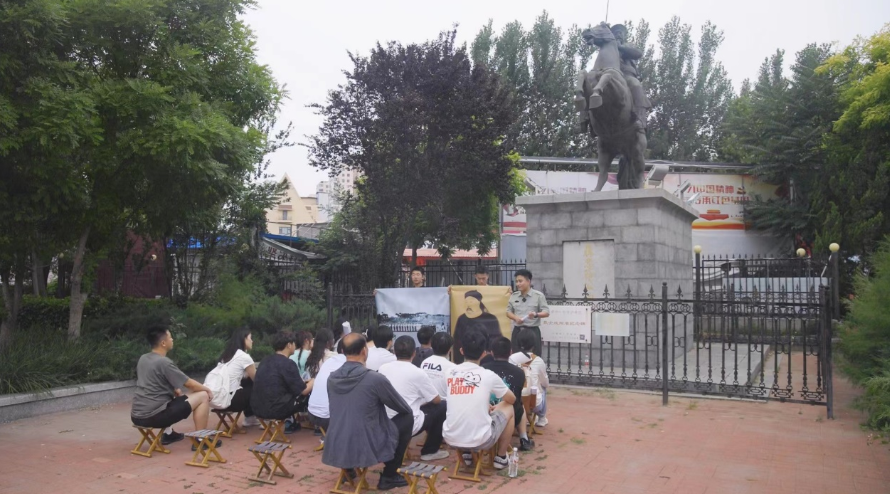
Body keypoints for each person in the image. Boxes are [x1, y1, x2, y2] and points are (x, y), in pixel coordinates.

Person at [324, 333, 412, 491]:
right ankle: (389, 475)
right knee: (407, 417)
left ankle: (348, 470)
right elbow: (403, 408)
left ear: (342, 352)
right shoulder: (374, 379)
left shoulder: (331, 378)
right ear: (364, 351)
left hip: (336, 442)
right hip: (365, 444)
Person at [131, 324, 215, 448]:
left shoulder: (143, 358)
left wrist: (175, 389)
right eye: (170, 337)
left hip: (136, 416)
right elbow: (190, 384)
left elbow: (154, 382)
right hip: (154, 416)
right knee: (203, 395)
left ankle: (168, 434)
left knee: (171, 398)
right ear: (163, 343)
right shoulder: (164, 362)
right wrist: (207, 389)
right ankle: (201, 440)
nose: (172, 339)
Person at [443, 329, 515, 470]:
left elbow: (462, 395)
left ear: (461, 350)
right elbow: (511, 399)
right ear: (484, 353)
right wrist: (496, 405)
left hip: (450, 437)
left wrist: (484, 403)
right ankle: (501, 457)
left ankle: (467, 454)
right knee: (509, 407)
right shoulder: (488, 375)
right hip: (481, 440)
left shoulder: (450, 372)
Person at [379, 336, 450, 461]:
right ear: (414, 353)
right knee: (442, 406)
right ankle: (430, 451)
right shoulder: (417, 372)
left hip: (384, 423)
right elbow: (436, 400)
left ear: (394, 352)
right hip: (408, 424)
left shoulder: (383, 368)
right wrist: (420, 401)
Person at [250, 331, 314, 428]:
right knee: (306, 396)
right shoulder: (288, 363)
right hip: (276, 409)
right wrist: (314, 380)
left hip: (257, 408)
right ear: (289, 345)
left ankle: (292, 423)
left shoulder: (265, 361)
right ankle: (314, 425)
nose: (295, 346)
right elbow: (304, 390)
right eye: (293, 343)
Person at [483, 337, 532, 451]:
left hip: (486, 411)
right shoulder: (519, 372)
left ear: (492, 352)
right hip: (510, 415)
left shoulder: (483, 369)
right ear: (510, 352)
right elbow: (516, 397)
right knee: (519, 405)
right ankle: (524, 437)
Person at [610, 23, 651, 129]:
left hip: (627, 75)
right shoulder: (608, 47)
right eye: (616, 33)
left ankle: (640, 119)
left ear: (624, 35)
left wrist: (620, 47)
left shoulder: (628, 46)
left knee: (636, 85)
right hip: (610, 75)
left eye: (621, 33)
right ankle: (585, 119)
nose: (619, 34)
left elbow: (638, 54)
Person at [216, 328, 259, 427]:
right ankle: (265, 418)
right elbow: (257, 380)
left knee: (247, 382)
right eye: (250, 338)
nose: (252, 341)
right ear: (244, 339)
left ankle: (250, 417)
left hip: (218, 399)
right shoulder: (244, 357)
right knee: (260, 386)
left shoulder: (226, 356)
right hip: (231, 401)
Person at [509, 328, 550, 428]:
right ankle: (541, 418)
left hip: (515, 401)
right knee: (543, 387)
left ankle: (526, 417)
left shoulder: (511, 358)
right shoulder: (539, 360)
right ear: (534, 344)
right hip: (533, 404)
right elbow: (545, 383)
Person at [308, 338, 347, 433]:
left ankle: (329, 437)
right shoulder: (348, 363)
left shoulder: (329, 361)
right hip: (328, 417)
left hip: (312, 413)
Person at [506, 269, 550, 355]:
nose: (518, 284)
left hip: (532, 331)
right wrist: (515, 318)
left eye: (520, 281)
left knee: (534, 357)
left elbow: (546, 312)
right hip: (518, 331)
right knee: (516, 356)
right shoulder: (514, 296)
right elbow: (508, 312)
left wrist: (535, 314)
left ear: (528, 281)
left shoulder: (538, 296)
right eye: (516, 281)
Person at [452, 290, 502, 365]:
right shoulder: (462, 319)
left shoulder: (490, 318)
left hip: (487, 360)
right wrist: (458, 362)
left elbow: (496, 339)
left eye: (471, 302)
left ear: (478, 302)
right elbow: (457, 342)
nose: (468, 305)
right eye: (466, 302)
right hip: (467, 361)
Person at [421, 332, 456, 399]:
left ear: (431, 346)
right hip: (445, 403)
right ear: (450, 349)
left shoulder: (424, 363)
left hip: (426, 402)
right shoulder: (453, 368)